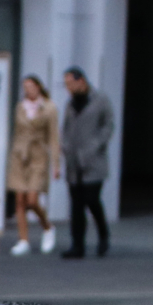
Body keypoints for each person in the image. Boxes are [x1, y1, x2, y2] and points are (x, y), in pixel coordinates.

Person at [60, 68, 114, 258]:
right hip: (74, 161)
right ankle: (77, 244)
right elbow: (65, 128)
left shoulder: (100, 100)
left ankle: (103, 234)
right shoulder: (70, 104)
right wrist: (65, 146)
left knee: (91, 200)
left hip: (93, 161)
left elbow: (108, 125)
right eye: (66, 84)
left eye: (70, 83)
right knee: (76, 204)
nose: (68, 88)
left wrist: (96, 145)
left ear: (81, 81)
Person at [6, 75, 56, 256]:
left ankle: (47, 226)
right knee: (19, 199)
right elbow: (17, 132)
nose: (28, 90)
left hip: (38, 155)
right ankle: (23, 239)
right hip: (20, 155)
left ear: (38, 87)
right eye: (25, 87)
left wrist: (56, 163)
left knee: (32, 199)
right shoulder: (20, 107)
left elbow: (53, 137)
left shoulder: (49, 108)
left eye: (31, 86)